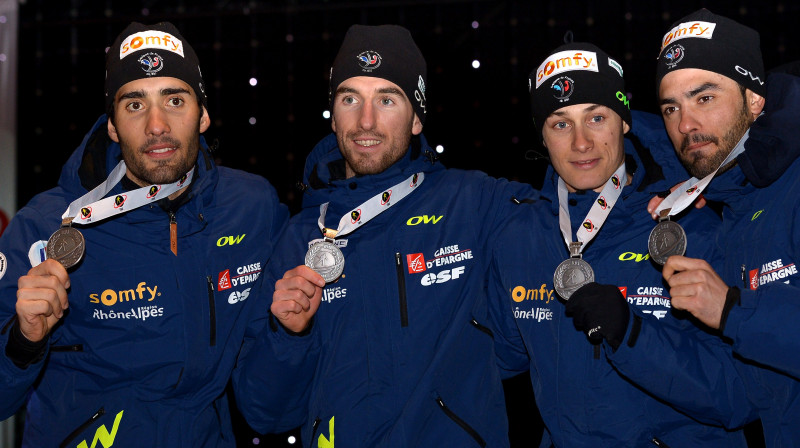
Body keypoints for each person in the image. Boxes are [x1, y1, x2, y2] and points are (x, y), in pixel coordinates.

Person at [232, 24, 536, 447]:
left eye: (387, 99)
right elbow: (265, 414)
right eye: (350, 99)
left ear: (416, 117)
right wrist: (289, 337)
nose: (366, 121)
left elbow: (577, 209)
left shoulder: (473, 203)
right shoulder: (299, 237)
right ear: (334, 114)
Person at [0, 22, 288, 447]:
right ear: (112, 125)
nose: (157, 125)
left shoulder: (251, 208)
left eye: (175, 99)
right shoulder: (45, 225)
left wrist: (292, 333)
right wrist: (24, 340)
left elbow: (268, 398)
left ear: (203, 113)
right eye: (135, 105)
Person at [488, 40, 749, 446]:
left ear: (624, 122)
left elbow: (742, 397)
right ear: (542, 134)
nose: (580, 143)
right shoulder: (519, 237)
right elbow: (493, 360)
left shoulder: (694, 222)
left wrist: (632, 335)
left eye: (596, 118)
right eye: (560, 123)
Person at [638, 8, 800, 446]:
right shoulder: (732, 207)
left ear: (754, 98)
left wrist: (733, 309)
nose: (685, 125)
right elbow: (740, 398)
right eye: (671, 107)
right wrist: (628, 335)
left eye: (704, 97)